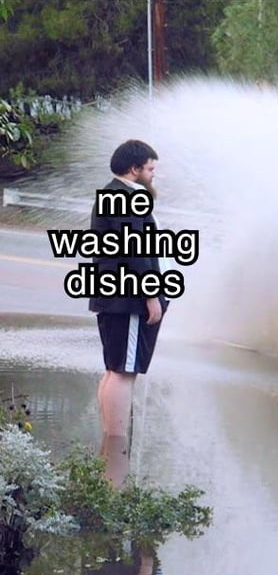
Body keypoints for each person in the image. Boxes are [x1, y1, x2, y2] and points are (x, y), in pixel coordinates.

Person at [90, 139, 167, 486]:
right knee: (124, 370)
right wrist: (151, 296)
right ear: (134, 169)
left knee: (114, 368)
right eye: (150, 168)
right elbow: (136, 251)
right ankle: (116, 447)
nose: (153, 174)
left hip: (113, 296)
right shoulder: (127, 198)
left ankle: (110, 445)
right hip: (128, 299)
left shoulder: (112, 194)